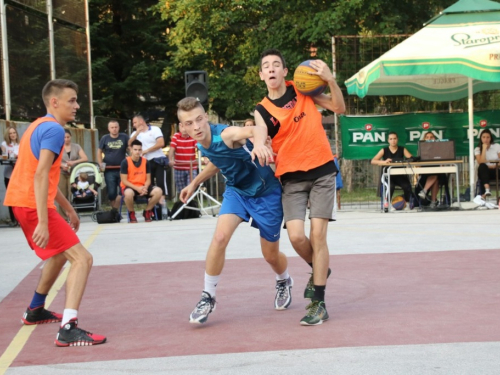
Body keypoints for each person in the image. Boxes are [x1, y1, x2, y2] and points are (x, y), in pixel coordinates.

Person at [3, 79, 106, 346]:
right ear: (54, 102)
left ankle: (35, 310)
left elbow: (45, 176)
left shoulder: (37, 126)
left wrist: (69, 209)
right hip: (32, 204)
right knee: (83, 259)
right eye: (71, 100)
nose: (77, 105)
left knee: (60, 256)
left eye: (76, 100)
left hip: (23, 202)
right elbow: (39, 176)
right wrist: (44, 221)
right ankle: (68, 328)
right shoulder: (54, 131)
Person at [177, 97, 292, 325]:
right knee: (219, 238)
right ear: (183, 127)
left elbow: (257, 128)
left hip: (265, 193)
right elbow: (218, 160)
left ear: (206, 117)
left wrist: (258, 143)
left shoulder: (226, 134)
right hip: (236, 192)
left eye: (199, 120)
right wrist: (195, 183)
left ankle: (283, 280)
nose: (196, 126)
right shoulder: (200, 142)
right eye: (189, 123)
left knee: (270, 255)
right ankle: (208, 296)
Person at [253, 49, 345, 326]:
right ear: (261, 75)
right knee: (295, 237)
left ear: (284, 71)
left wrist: (330, 80)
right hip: (291, 179)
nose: (271, 69)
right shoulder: (261, 111)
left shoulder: (304, 89)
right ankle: (320, 269)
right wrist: (259, 143)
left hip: (321, 171)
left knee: (318, 235)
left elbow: (338, 107)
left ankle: (318, 302)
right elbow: (259, 134)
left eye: (276, 65)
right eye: (266, 66)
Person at [120, 139, 163, 223]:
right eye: (135, 149)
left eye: (139, 150)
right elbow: (124, 181)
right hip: (131, 186)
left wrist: (145, 187)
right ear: (131, 150)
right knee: (128, 193)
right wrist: (137, 188)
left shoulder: (145, 161)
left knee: (158, 191)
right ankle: (131, 213)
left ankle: (147, 211)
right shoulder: (125, 162)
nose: (137, 152)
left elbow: (148, 179)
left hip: (143, 186)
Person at [129, 115, 168, 201]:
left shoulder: (155, 129)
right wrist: (136, 133)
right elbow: (129, 145)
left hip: (158, 159)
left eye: (135, 122)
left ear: (141, 122)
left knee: (161, 183)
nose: (134, 125)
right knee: (149, 184)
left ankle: (162, 206)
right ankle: (151, 207)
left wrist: (147, 150)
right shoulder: (134, 134)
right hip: (145, 162)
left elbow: (161, 143)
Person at [371, 131, 413, 207]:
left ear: (397, 139)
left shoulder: (402, 149)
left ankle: (407, 203)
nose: (393, 140)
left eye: (394, 138)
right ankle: (387, 204)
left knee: (406, 186)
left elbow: (411, 159)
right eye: (391, 139)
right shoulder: (384, 150)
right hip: (388, 175)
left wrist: (406, 161)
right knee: (390, 186)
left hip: (400, 175)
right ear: (388, 140)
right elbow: (373, 161)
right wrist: (384, 161)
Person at [97, 120, 129, 209]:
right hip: (109, 169)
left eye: (116, 127)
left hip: (122, 169)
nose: (114, 129)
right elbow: (99, 151)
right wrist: (100, 163)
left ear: (119, 128)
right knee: (111, 192)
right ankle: (114, 210)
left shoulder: (124, 137)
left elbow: (130, 148)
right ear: (108, 129)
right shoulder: (105, 138)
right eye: (112, 127)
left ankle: (118, 209)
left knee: (123, 190)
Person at [58, 129, 88, 217]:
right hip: (61, 172)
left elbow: (85, 158)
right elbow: (53, 160)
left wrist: (74, 162)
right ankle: (63, 216)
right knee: (63, 194)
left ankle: (73, 214)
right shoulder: (58, 147)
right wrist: (62, 165)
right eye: (64, 137)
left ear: (71, 137)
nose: (66, 139)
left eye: (68, 137)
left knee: (72, 192)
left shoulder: (76, 146)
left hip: (73, 172)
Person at [417, 132, 448, 208]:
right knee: (435, 179)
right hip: (425, 173)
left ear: (435, 139)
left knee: (436, 174)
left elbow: (443, 162)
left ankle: (424, 191)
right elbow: (418, 164)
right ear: (424, 139)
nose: (429, 139)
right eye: (427, 137)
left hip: (439, 173)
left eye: (431, 137)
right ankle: (433, 202)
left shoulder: (439, 148)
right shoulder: (421, 149)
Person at [168, 123, 199, 195]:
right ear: (179, 126)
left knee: (191, 187)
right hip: (179, 167)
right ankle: (183, 204)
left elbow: (199, 148)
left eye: (186, 127)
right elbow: (172, 149)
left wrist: (204, 157)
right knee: (181, 190)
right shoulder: (176, 136)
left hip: (191, 167)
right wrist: (170, 160)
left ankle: (191, 203)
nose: (184, 129)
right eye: (182, 127)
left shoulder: (193, 136)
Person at [1, 126, 20, 226]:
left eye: (14, 133)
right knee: (11, 198)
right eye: (10, 133)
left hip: (19, 175)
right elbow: (3, 154)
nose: (12, 135)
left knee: (20, 197)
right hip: (9, 174)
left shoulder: (20, 144)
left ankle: (20, 219)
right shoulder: (5, 144)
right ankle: (13, 220)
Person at [474, 129, 500, 197]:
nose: (486, 139)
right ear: (481, 138)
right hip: (485, 172)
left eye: (488, 137)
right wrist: (484, 149)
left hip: (497, 169)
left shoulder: (497, 146)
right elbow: (481, 161)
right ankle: (487, 190)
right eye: (484, 137)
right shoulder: (477, 149)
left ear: (490, 138)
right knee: (482, 166)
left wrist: (494, 166)